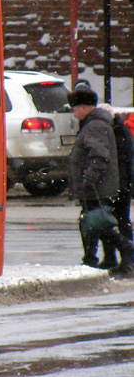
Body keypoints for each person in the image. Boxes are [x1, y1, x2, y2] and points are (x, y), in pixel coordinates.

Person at [68, 84, 134, 276]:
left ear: (83, 107)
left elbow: (100, 156)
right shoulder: (97, 124)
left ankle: (123, 249)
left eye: (75, 109)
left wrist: (89, 177)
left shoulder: (95, 125)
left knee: (97, 223)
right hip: (104, 185)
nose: (74, 114)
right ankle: (102, 258)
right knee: (95, 222)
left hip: (99, 186)